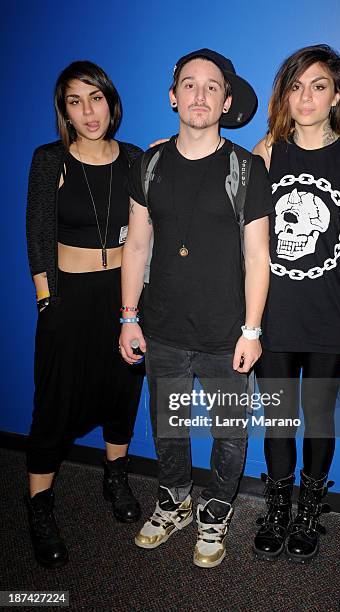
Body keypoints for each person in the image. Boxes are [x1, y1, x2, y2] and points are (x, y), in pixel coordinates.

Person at [120, 48, 273, 568]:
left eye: (212, 86)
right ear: (173, 96)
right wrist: (128, 316)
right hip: (161, 329)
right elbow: (136, 247)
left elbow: (259, 256)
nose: (200, 94)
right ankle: (174, 501)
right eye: (189, 84)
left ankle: (216, 511)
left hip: (224, 333)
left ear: (226, 100)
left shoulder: (246, 168)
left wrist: (251, 330)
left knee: (230, 433)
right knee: (168, 427)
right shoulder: (149, 163)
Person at [252, 44, 340, 563]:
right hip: (275, 316)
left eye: (318, 85)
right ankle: (278, 509)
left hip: (332, 315)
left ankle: (308, 511)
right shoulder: (266, 153)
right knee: (278, 420)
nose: (305, 97)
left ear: (336, 96)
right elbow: (252, 243)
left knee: (319, 417)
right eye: (296, 86)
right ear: (285, 95)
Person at [25, 61, 145, 568]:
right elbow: (38, 235)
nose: (88, 111)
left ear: (110, 102)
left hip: (123, 300)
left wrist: (136, 307)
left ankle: (114, 478)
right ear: (64, 111)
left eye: (95, 98)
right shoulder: (50, 160)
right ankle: (39, 506)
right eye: (75, 101)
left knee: (121, 391)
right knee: (55, 403)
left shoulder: (136, 159)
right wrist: (47, 301)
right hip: (68, 298)